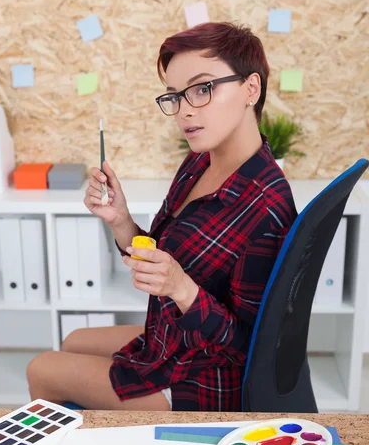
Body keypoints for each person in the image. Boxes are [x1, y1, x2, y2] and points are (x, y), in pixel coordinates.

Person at [27, 21, 297, 411]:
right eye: (175, 96)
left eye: (202, 89)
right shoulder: (198, 163)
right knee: (74, 342)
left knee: (43, 369)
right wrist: (121, 220)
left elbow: (248, 348)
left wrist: (181, 289)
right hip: (173, 340)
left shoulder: (266, 207)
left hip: (205, 378)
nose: (184, 112)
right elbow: (164, 257)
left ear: (250, 89)